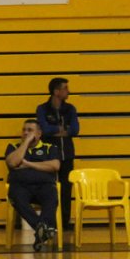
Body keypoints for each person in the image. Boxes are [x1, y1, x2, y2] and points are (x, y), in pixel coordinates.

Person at [5, 119, 60, 252]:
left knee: (51, 195)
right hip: (21, 186)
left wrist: (28, 164)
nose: (25, 133)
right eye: (24, 130)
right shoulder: (13, 147)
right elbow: (12, 163)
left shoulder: (50, 148)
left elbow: (54, 166)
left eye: (30, 130)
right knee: (15, 196)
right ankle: (42, 228)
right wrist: (26, 143)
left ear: (39, 133)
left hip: (44, 185)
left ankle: (42, 229)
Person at [36, 77, 79, 228]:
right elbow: (44, 130)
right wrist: (60, 130)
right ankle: (50, 221)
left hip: (67, 154)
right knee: (49, 188)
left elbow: (75, 130)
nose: (69, 91)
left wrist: (55, 130)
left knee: (66, 189)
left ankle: (65, 222)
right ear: (56, 91)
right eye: (65, 88)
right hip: (49, 156)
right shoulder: (42, 109)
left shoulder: (70, 109)